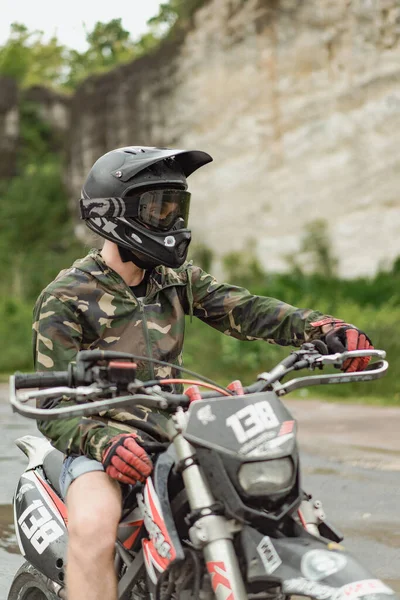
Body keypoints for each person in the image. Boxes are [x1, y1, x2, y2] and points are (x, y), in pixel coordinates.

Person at [33, 146, 373, 600]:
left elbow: (248, 310)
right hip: (102, 443)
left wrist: (320, 328)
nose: (172, 222)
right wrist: (103, 441)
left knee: (261, 502)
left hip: (175, 430)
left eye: (177, 208)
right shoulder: (67, 296)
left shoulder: (177, 279)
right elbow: (52, 405)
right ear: (114, 214)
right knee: (94, 526)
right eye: (158, 210)